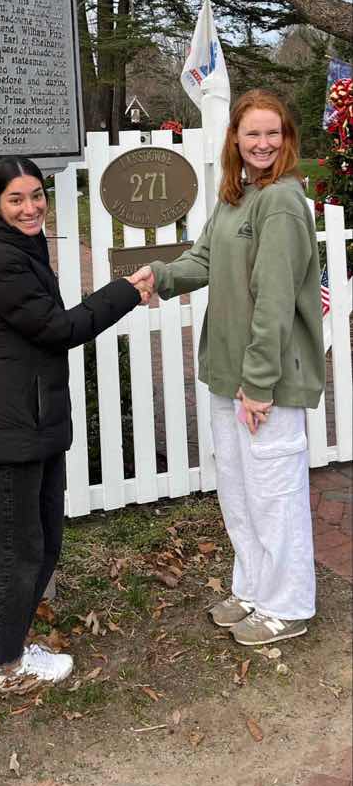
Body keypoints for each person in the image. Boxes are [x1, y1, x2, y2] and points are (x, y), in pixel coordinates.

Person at [0, 155, 152, 696]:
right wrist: (125, 291)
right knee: (17, 544)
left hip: (30, 414)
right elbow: (57, 328)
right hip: (13, 420)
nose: (31, 207)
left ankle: (6, 643)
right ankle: (2, 664)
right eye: (16, 199)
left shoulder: (17, 245)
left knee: (38, 538)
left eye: (37, 195)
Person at [141, 89, 325, 647]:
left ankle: (288, 604)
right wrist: (160, 276)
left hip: (265, 380)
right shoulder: (237, 194)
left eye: (273, 133)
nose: (263, 144)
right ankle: (254, 589)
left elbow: (275, 300)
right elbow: (203, 258)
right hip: (227, 372)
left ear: (287, 139)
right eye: (252, 134)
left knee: (274, 495)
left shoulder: (282, 201)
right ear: (236, 140)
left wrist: (259, 383)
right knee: (240, 492)